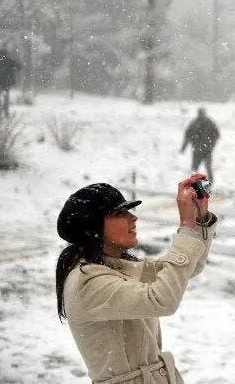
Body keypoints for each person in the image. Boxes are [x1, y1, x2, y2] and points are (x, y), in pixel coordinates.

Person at [55, 174, 218, 384]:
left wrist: (198, 221)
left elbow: (186, 268)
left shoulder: (115, 267)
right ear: (93, 226)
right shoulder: (87, 281)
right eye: (120, 213)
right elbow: (162, 299)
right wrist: (186, 227)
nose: (133, 217)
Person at [180, 107, 220, 182]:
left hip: (203, 149)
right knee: (197, 168)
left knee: (201, 167)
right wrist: (183, 147)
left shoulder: (206, 123)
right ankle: (196, 182)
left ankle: (208, 182)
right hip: (200, 149)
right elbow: (188, 135)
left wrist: (212, 144)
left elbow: (216, 134)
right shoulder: (198, 123)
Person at [0, 48, 22, 118]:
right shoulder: (8, 61)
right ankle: (2, 112)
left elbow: (18, 66)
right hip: (4, 82)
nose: (2, 56)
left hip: (2, 82)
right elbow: (18, 66)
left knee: (2, 98)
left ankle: (1, 112)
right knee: (3, 98)